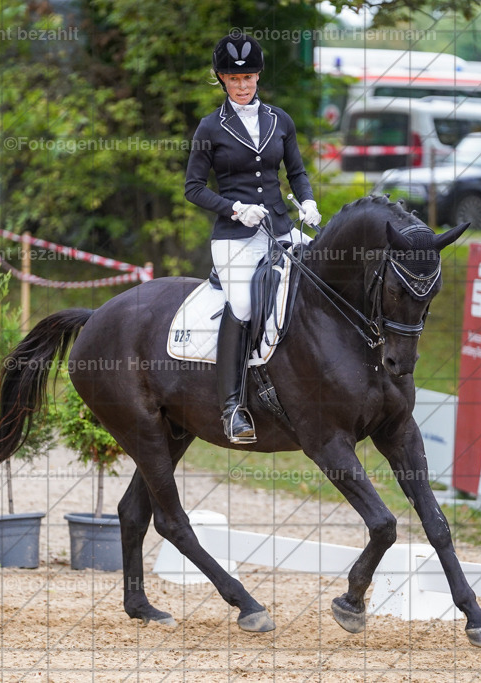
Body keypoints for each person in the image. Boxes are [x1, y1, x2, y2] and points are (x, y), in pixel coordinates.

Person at [185, 33, 321, 444]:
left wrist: (309, 201)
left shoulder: (280, 120)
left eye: (248, 77)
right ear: (221, 80)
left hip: (279, 228)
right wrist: (233, 208)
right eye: (233, 78)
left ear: (258, 75)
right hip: (234, 236)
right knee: (242, 303)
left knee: (322, 281)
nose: (242, 85)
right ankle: (231, 407)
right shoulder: (211, 127)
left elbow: (295, 172)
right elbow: (193, 188)